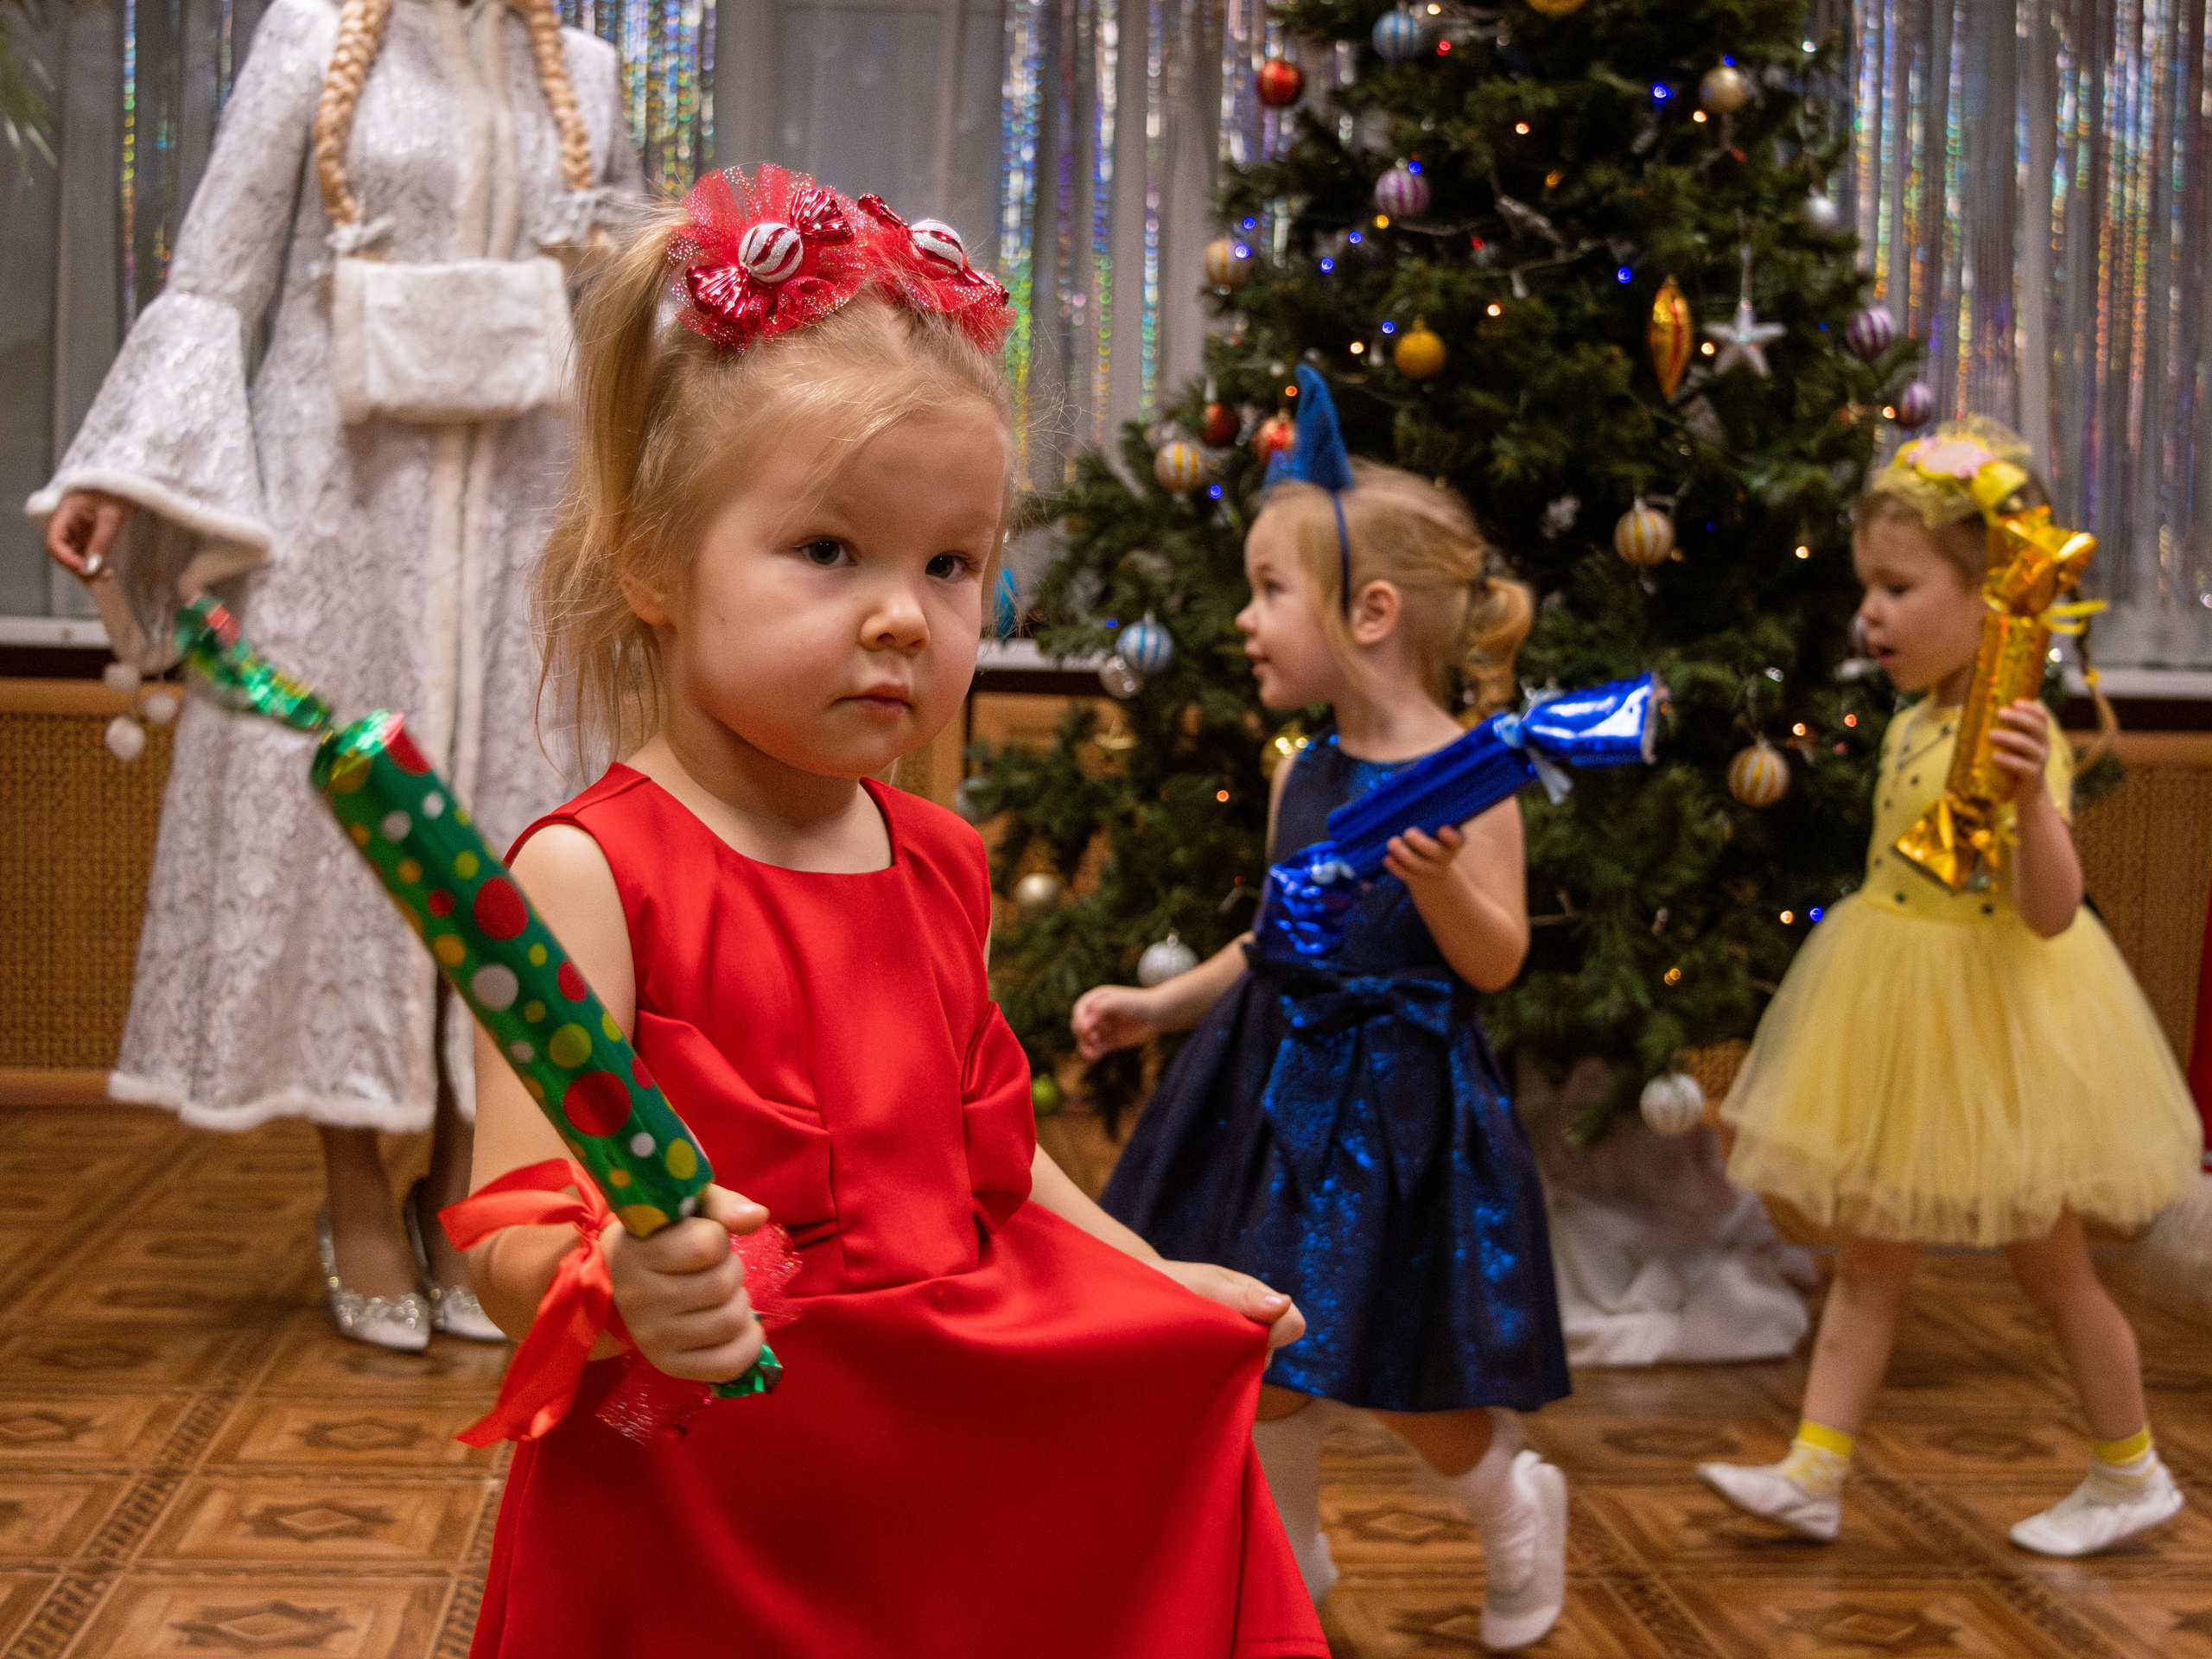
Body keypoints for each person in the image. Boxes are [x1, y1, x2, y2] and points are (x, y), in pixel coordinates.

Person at [452, 163, 1330, 1659]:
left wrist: (1148, 1274)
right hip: (712, 1497)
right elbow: (511, 1225)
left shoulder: (933, 858)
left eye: (953, 567)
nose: (901, 617)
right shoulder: (586, 875)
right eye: (828, 551)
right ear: (655, 562)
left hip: (941, 1453)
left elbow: (993, 1160)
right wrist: (614, 1291)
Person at [33, 0, 643, 1350]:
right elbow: (218, 276)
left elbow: (622, 310)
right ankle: (356, 1186)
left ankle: (464, 1187)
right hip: (340, 508)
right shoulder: (311, 37)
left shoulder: (589, 73)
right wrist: (121, 476)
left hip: (522, 520)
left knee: (514, 846)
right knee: (345, 849)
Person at [1075, 379, 1571, 1652]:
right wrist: (1160, 1006)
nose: (1244, 620)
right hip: (1269, 1095)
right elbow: (1271, 934)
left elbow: (1498, 961)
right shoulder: (1304, 771)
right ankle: (1303, 1586)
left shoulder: (1481, 776)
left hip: (1400, 1118)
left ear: (1373, 613)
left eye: (1267, 591)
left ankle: (1511, 1505)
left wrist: (1443, 877)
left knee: (1406, 1372)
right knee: (1258, 1357)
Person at [1699, 417, 2203, 1556]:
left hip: (2002, 1039)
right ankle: (1814, 1472)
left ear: (1992, 603)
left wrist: (2028, 803)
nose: (1868, 614)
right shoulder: (1917, 717)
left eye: (1896, 586)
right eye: (1864, 587)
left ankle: (2134, 1474)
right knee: (1870, 1262)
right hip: (1898, 1013)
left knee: (2058, 1271)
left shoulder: (2021, 737)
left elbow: (2051, 911)